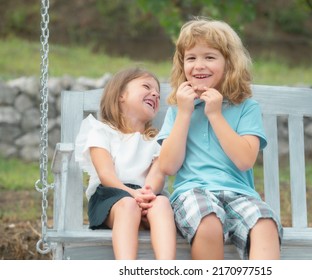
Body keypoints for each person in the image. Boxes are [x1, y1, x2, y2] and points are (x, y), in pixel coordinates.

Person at [157, 18, 283, 260]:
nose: (199, 65)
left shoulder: (246, 107)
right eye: (191, 58)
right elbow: (168, 166)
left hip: (239, 194)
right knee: (208, 222)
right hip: (192, 192)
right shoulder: (177, 109)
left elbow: (245, 160)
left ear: (229, 63)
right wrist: (184, 112)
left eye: (210, 57)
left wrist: (214, 114)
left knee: (265, 223)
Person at [75, 67, 176, 260]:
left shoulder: (155, 142)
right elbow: (106, 175)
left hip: (145, 195)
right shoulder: (101, 131)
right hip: (111, 197)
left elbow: (158, 175)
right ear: (121, 95)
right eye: (146, 86)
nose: (155, 93)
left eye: (157, 93)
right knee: (129, 205)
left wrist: (147, 194)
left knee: (162, 202)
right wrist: (133, 195)